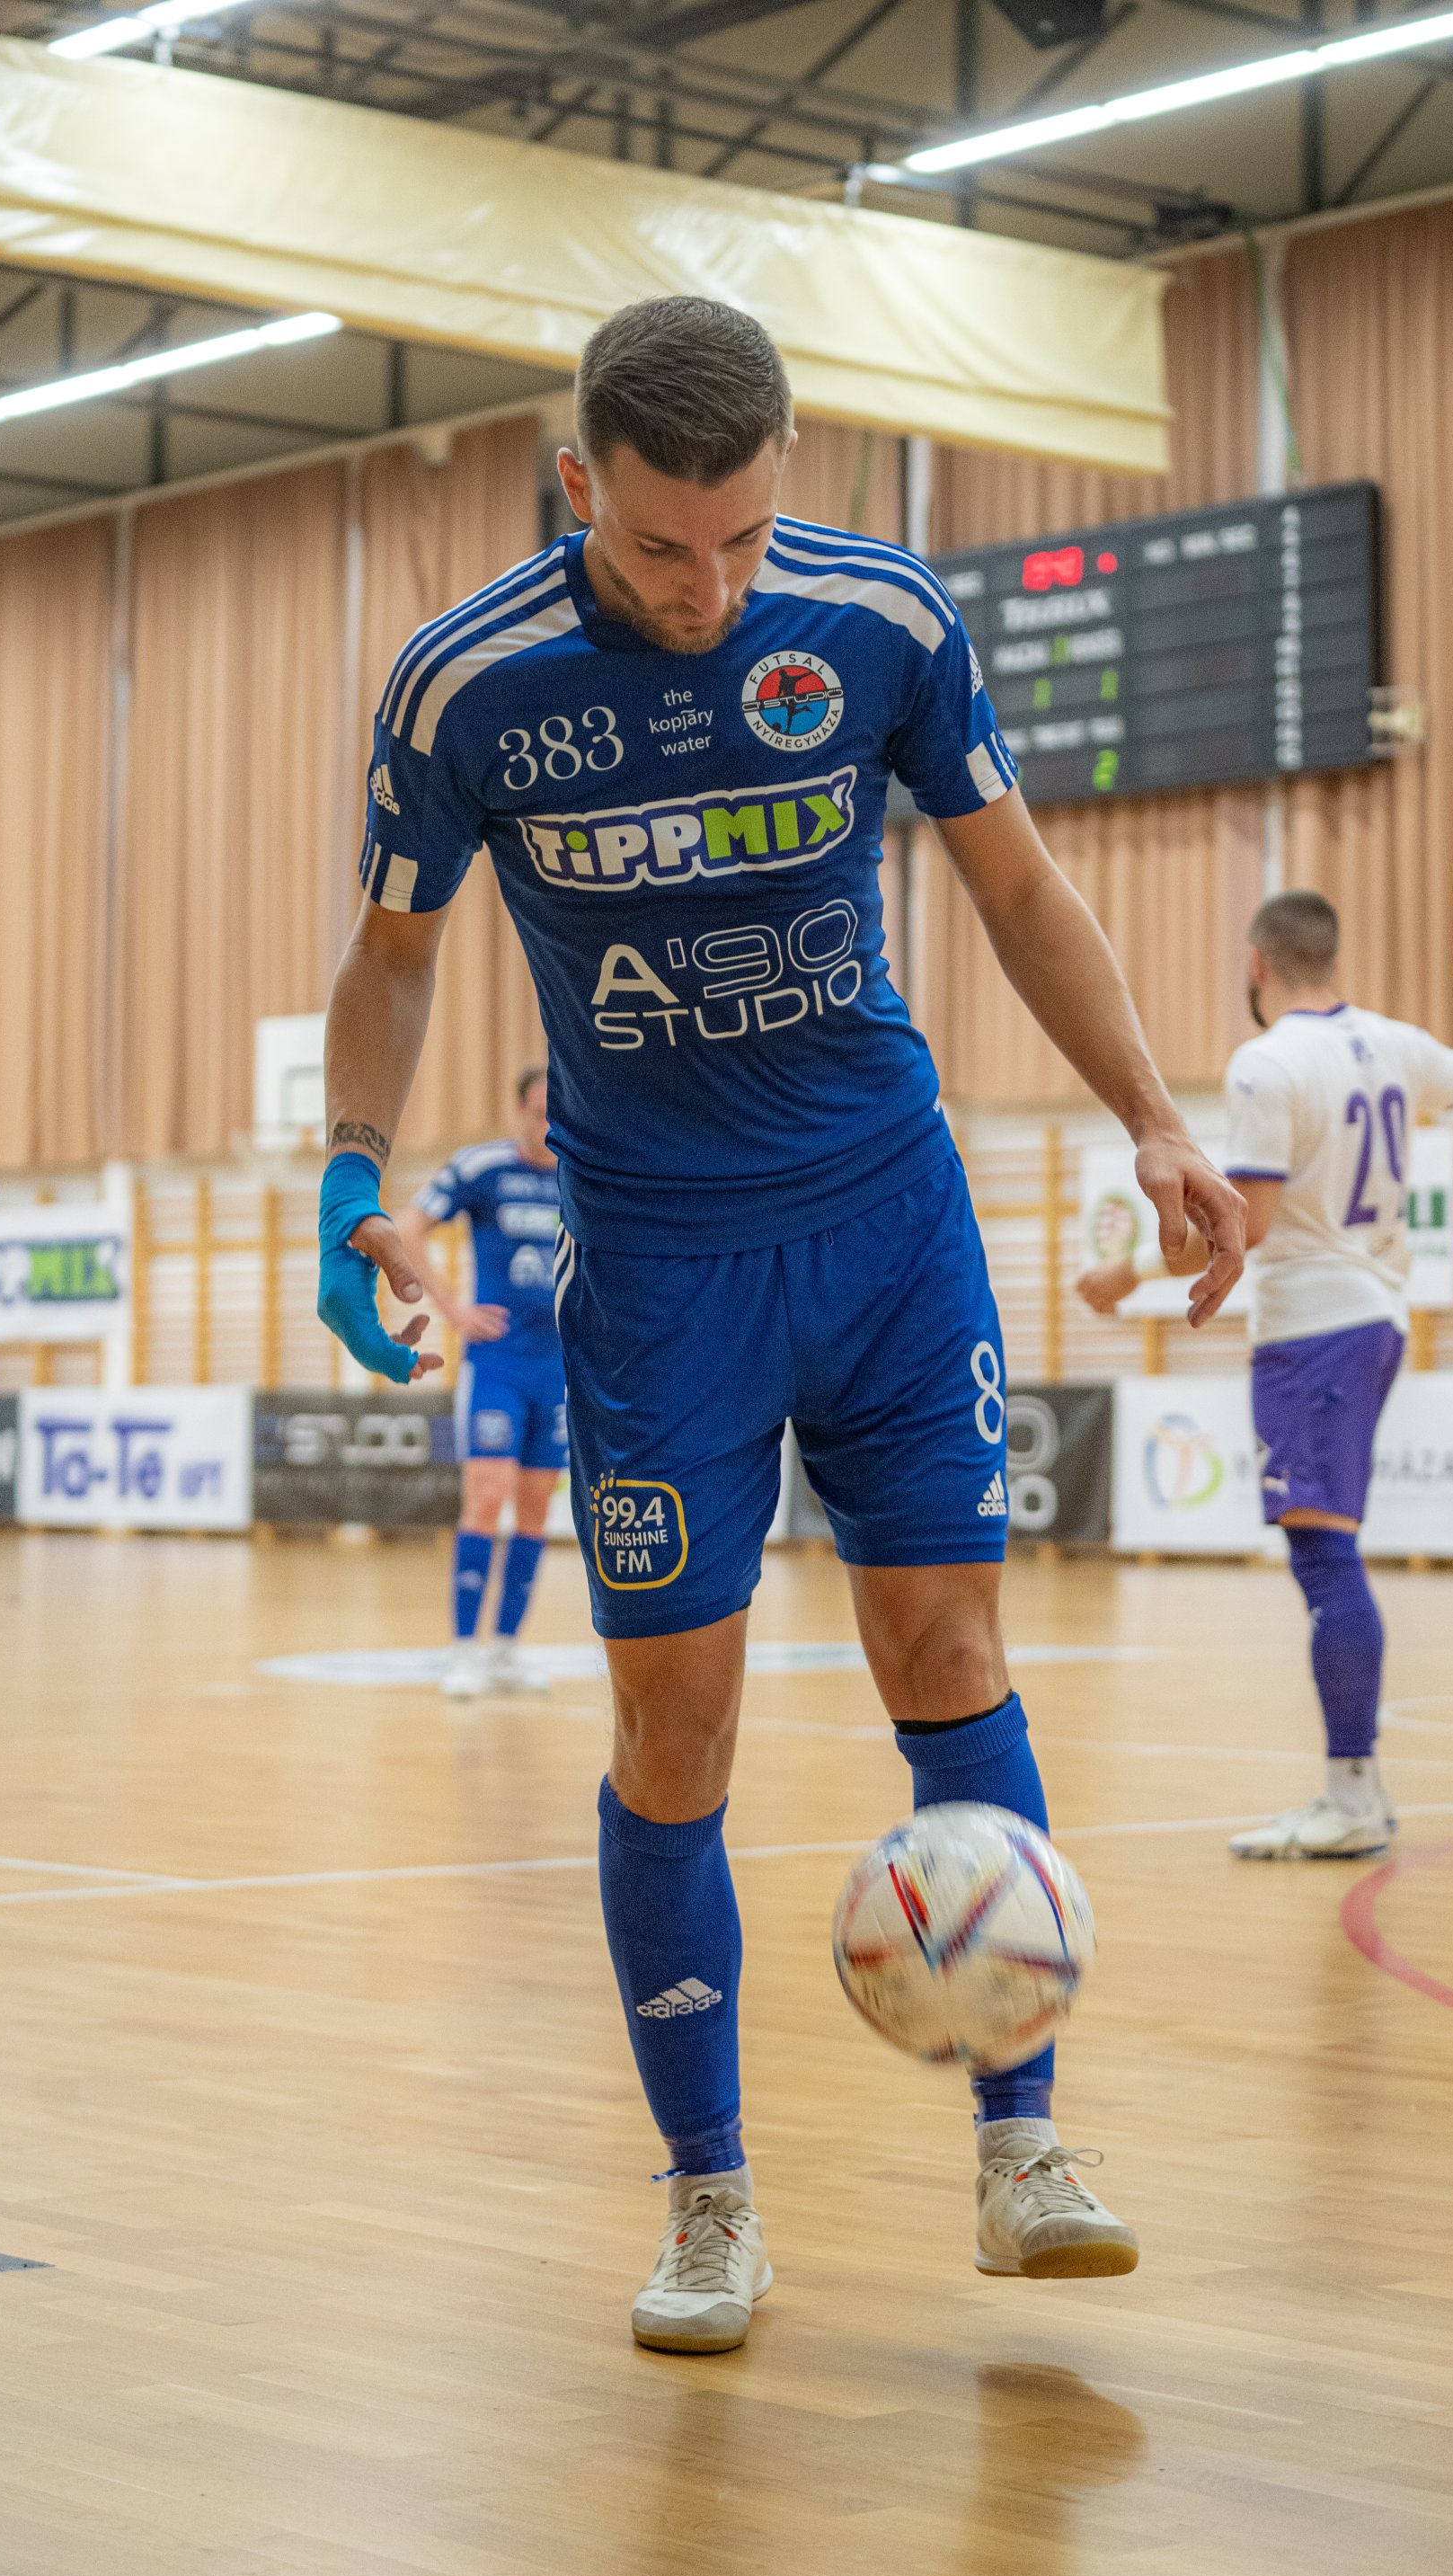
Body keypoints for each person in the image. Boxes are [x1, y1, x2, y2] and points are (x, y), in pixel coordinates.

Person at [316, 295, 1244, 2353]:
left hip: (891, 1226)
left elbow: (1014, 891)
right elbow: (391, 951)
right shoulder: (466, 684)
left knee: (952, 1651)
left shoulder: (885, 620)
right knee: (680, 1735)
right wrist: (351, 1163)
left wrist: (1159, 1117)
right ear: (580, 487)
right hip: (655, 1271)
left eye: (742, 540)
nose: (710, 585)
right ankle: (710, 2196)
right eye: (663, 547)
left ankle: (1025, 2151)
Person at [1080, 889, 1453, 1860]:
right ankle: (1352, 1790)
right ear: (1329, 955)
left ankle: (1351, 1797)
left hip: (1317, 1330)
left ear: (1257, 964)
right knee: (1324, 1553)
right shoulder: (1395, 1044)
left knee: (1325, 1557)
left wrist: (1124, 1274)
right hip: (1373, 1317)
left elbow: (1241, 1222)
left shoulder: (1267, 1064)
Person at [391, 1065, 566, 1698]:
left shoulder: (584, 1174)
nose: (547, 1121)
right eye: (538, 1109)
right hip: (497, 1365)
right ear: (519, 1111)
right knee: (487, 1494)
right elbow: (407, 1230)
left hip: (560, 1369)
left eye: (557, 1108)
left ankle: (506, 1648)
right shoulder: (481, 1169)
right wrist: (452, 1310)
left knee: (536, 1505)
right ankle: (464, 1648)